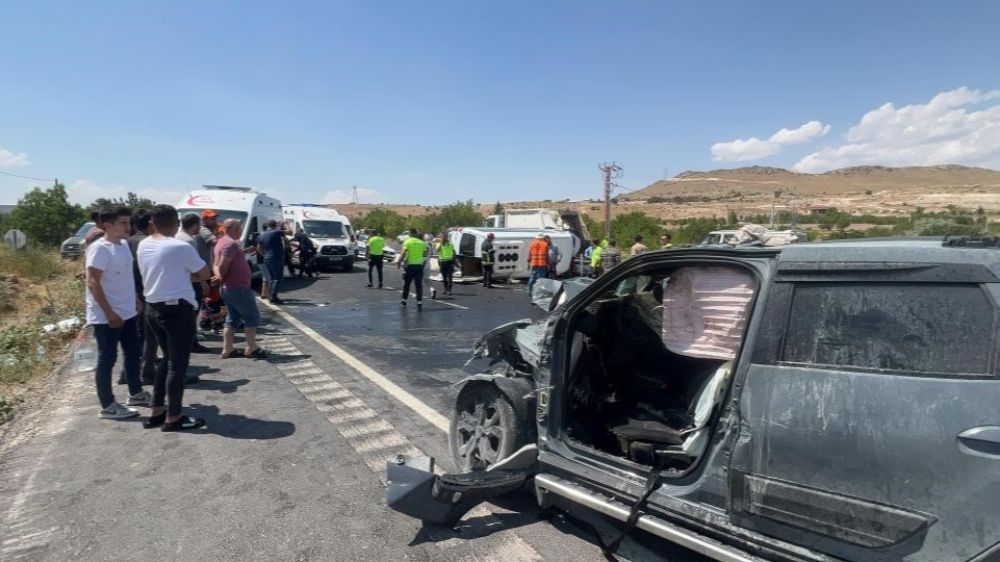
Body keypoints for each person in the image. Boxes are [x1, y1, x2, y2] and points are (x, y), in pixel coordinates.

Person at [137, 204, 212, 431]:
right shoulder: (180, 247)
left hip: (153, 308)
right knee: (177, 366)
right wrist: (189, 275)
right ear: (177, 223)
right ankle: (174, 417)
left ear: (152, 221)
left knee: (167, 360)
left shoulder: (143, 244)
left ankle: (156, 410)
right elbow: (205, 273)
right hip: (177, 311)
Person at [86, 205, 151, 419]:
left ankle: (136, 393)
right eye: (123, 223)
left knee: (133, 353)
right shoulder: (99, 248)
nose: (128, 226)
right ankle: (108, 405)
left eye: (128, 222)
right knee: (108, 358)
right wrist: (109, 312)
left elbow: (125, 276)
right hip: (107, 316)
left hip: (127, 311)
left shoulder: (122, 245)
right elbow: (93, 282)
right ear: (107, 225)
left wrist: (135, 298)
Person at [214, 219, 266, 359]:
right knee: (251, 316)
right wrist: (222, 277)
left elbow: (218, 263)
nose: (241, 231)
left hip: (229, 288)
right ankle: (251, 347)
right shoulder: (230, 243)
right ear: (230, 228)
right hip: (237, 287)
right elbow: (223, 265)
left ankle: (227, 349)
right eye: (239, 229)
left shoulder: (222, 242)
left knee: (232, 318)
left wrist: (243, 252)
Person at [120, 209, 157, 386]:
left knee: (133, 336)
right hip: (146, 293)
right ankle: (147, 371)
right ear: (150, 223)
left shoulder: (125, 243)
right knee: (150, 336)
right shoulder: (149, 243)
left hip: (129, 293)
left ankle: (125, 372)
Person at [176, 213, 212, 354]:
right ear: (195, 225)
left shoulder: (179, 237)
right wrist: (202, 281)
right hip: (191, 282)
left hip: (184, 281)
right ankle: (192, 343)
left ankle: (190, 342)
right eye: (199, 224)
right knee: (192, 315)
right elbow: (193, 266)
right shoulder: (189, 241)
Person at [257, 220, 286, 304]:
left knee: (272, 278)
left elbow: (259, 248)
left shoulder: (261, 235)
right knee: (277, 278)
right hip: (276, 257)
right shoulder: (276, 232)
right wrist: (286, 224)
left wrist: (264, 254)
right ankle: (273, 297)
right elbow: (290, 232)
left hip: (267, 258)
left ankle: (271, 295)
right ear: (275, 225)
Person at [398, 228, 427, 310]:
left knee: (407, 284)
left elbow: (403, 253)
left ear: (410, 234)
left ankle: (404, 300)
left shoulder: (407, 242)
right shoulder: (422, 243)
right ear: (416, 234)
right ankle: (419, 303)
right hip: (419, 266)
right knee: (418, 285)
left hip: (410, 266)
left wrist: (398, 262)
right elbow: (424, 254)